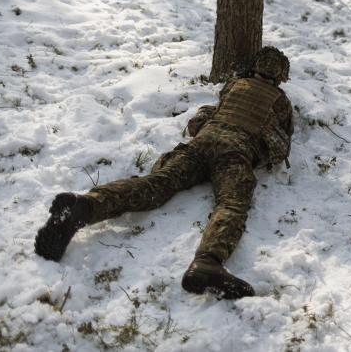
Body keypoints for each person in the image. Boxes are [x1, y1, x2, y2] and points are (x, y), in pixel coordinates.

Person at [35, 47, 293, 299]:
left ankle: (85, 206)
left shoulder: (235, 85)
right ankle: (207, 262)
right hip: (235, 153)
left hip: (202, 142)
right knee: (232, 204)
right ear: (281, 75)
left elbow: (200, 121)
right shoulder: (280, 101)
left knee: (158, 184)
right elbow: (280, 148)